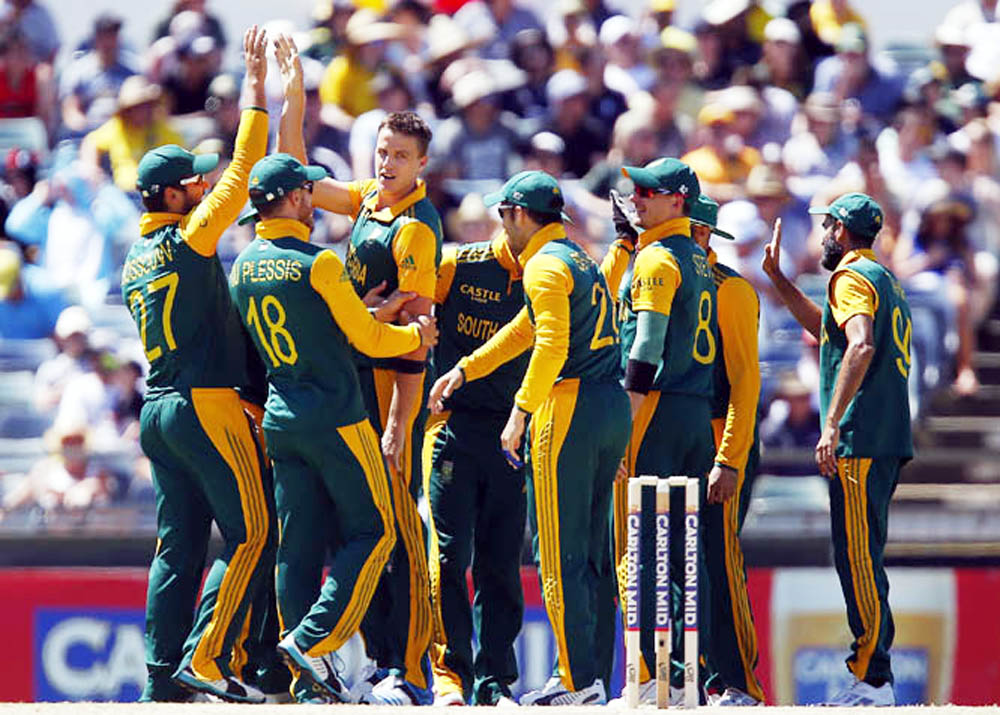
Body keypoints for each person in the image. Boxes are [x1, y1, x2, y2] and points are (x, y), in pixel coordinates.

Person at [229, 152, 438, 704]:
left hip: (282, 418)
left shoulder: (242, 264)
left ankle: (307, 683)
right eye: (307, 193)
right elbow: (368, 343)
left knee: (296, 549)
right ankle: (313, 638)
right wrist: (414, 337)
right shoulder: (318, 263)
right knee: (377, 531)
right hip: (337, 417)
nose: (313, 203)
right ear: (296, 198)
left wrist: (371, 314)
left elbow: (323, 330)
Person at [275, 34, 440, 705]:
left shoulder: (416, 228)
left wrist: (400, 425)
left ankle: (410, 669)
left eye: (400, 156)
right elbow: (292, 177)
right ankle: (372, 664)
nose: (387, 163)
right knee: (361, 532)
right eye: (381, 152)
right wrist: (290, 102)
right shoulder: (371, 200)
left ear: (423, 162)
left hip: (387, 399)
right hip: (352, 393)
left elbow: (416, 341)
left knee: (399, 533)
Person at [430, 170, 630, 706]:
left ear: (519, 215)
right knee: (591, 552)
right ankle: (592, 677)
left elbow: (549, 345)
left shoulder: (542, 264)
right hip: (609, 403)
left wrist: (519, 412)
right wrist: (466, 369)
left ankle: (573, 678)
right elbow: (523, 327)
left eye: (504, 214)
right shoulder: (577, 257)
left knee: (558, 552)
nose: (502, 224)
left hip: (569, 405)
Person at [121, 26, 271, 703]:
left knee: (176, 545)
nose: (206, 185)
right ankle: (206, 657)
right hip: (203, 402)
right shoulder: (187, 239)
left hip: (155, 408)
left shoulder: (133, 259)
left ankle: (160, 676)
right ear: (173, 195)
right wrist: (256, 93)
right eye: (195, 183)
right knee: (252, 531)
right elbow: (243, 174)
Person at [762, 192, 913, 706]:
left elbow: (861, 343)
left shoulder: (850, 275)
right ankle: (874, 672)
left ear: (843, 231)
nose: (823, 236)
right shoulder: (880, 276)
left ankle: (872, 677)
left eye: (828, 227)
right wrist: (780, 280)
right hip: (883, 435)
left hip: (861, 435)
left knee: (857, 557)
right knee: (860, 554)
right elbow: (830, 333)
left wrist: (830, 423)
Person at [610, 158, 716, 704]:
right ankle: (681, 676)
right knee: (682, 550)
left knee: (643, 546)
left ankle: (650, 677)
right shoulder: (698, 257)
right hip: (696, 413)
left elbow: (647, 345)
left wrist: (621, 420)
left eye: (649, 191)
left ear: (677, 200)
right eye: (636, 189)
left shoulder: (654, 257)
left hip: (655, 409)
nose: (637, 198)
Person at [423, 229, 527, 706]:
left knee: (501, 562)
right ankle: (450, 677)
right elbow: (416, 312)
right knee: (447, 558)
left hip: (511, 434)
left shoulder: (549, 271)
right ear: (508, 217)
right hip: (455, 428)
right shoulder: (456, 266)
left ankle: (495, 681)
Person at [688, 194, 765, 706]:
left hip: (721, 434)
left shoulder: (729, 289)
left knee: (719, 559)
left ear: (700, 234)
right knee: (682, 562)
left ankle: (739, 682)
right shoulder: (669, 278)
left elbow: (745, 383)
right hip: (682, 434)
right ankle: (693, 677)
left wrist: (730, 458)